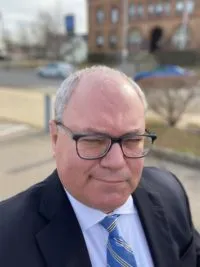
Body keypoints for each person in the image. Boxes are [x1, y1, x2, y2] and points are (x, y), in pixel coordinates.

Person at [0, 65, 199, 267]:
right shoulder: (6, 236)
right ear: (55, 138)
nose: (116, 162)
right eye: (94, 140)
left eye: (131, 140)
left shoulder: (170, 195)